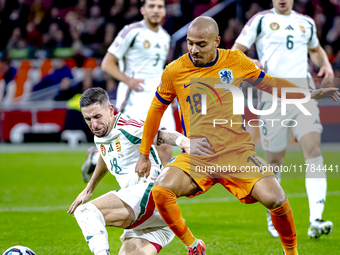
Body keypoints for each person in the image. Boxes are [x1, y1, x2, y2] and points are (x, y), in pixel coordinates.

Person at [135, 16, 340, 255]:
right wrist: (143, 154)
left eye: (201, 44)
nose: (194, 49)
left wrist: (310, 94)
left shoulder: (235, 61)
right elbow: (155, 110)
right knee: (160, 191)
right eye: (190, 43)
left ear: (217, 42)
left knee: (277, 200)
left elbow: (271, 84)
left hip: (237, 154)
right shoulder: (174, 71)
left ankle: (291, 253)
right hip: (199, 155)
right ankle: (194, 246)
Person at [232, 0, 334, 238]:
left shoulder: (305, 23)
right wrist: (250, 63)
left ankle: (316, 219)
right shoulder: (260, 20)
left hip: (303, 96)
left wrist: (326, 64)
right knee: (275, 161)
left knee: (313, 149)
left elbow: (316, 50)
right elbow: (236, 52)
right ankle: (273, 214)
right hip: (271, 97)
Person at [68, 87, 213, 255]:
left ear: (110, 109)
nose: (94, 124)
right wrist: (89, 189)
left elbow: (160, 134)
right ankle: (196, 247)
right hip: (154, 219)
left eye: (97, 116)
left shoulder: (127, 128)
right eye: (88, 119)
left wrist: (183, 141)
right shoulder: (100, 135)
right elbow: (105, 154)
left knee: (86, 212)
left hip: (148, 194)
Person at [101, 0, 175, 166]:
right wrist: (128, 80)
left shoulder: (165, 37)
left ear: (164, 11)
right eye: (151, 6)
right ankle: (95, 156)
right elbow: (107, 63)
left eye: (160, 7)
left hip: (158, 96)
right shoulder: (131, 31)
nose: (156, 10)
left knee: (166, 146)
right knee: (130, 148)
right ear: (143, 10)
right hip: (135, 96)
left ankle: (161, 190)